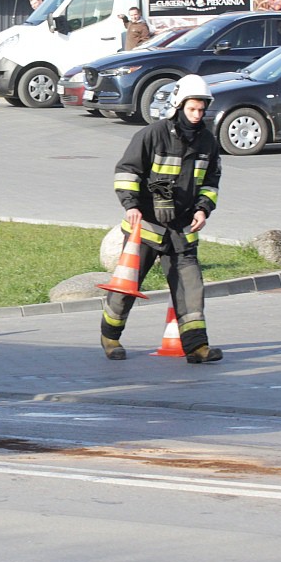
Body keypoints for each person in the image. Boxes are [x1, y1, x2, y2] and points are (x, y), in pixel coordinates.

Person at [99, 74, 223, 364]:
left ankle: (196, 347)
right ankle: (110, 337)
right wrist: (130, 205)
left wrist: (203, 208)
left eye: (201, 110)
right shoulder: (152, 135)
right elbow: (128, 171)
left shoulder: (207, 141)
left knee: (190, 289)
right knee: (126, 287)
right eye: (192, 109)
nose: (197, 115)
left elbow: (211, 180)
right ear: (178, 106)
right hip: (145, 228)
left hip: (182, 229)